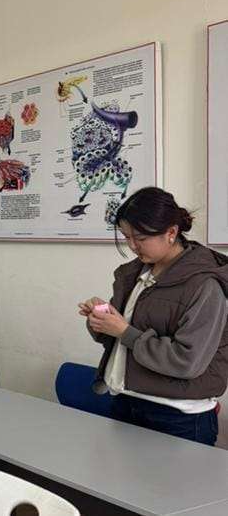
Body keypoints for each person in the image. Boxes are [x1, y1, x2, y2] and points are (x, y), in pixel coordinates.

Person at [80, 187, 228, 445]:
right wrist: (101, 320)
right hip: (125, 399)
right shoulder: (133, 274)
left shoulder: (205, 284)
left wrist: (123, 331)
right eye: (126, 237)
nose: (132, 246)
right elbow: (119, 339)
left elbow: (187, 361)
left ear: (171, 232)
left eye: (140, 238)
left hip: (177, 416)